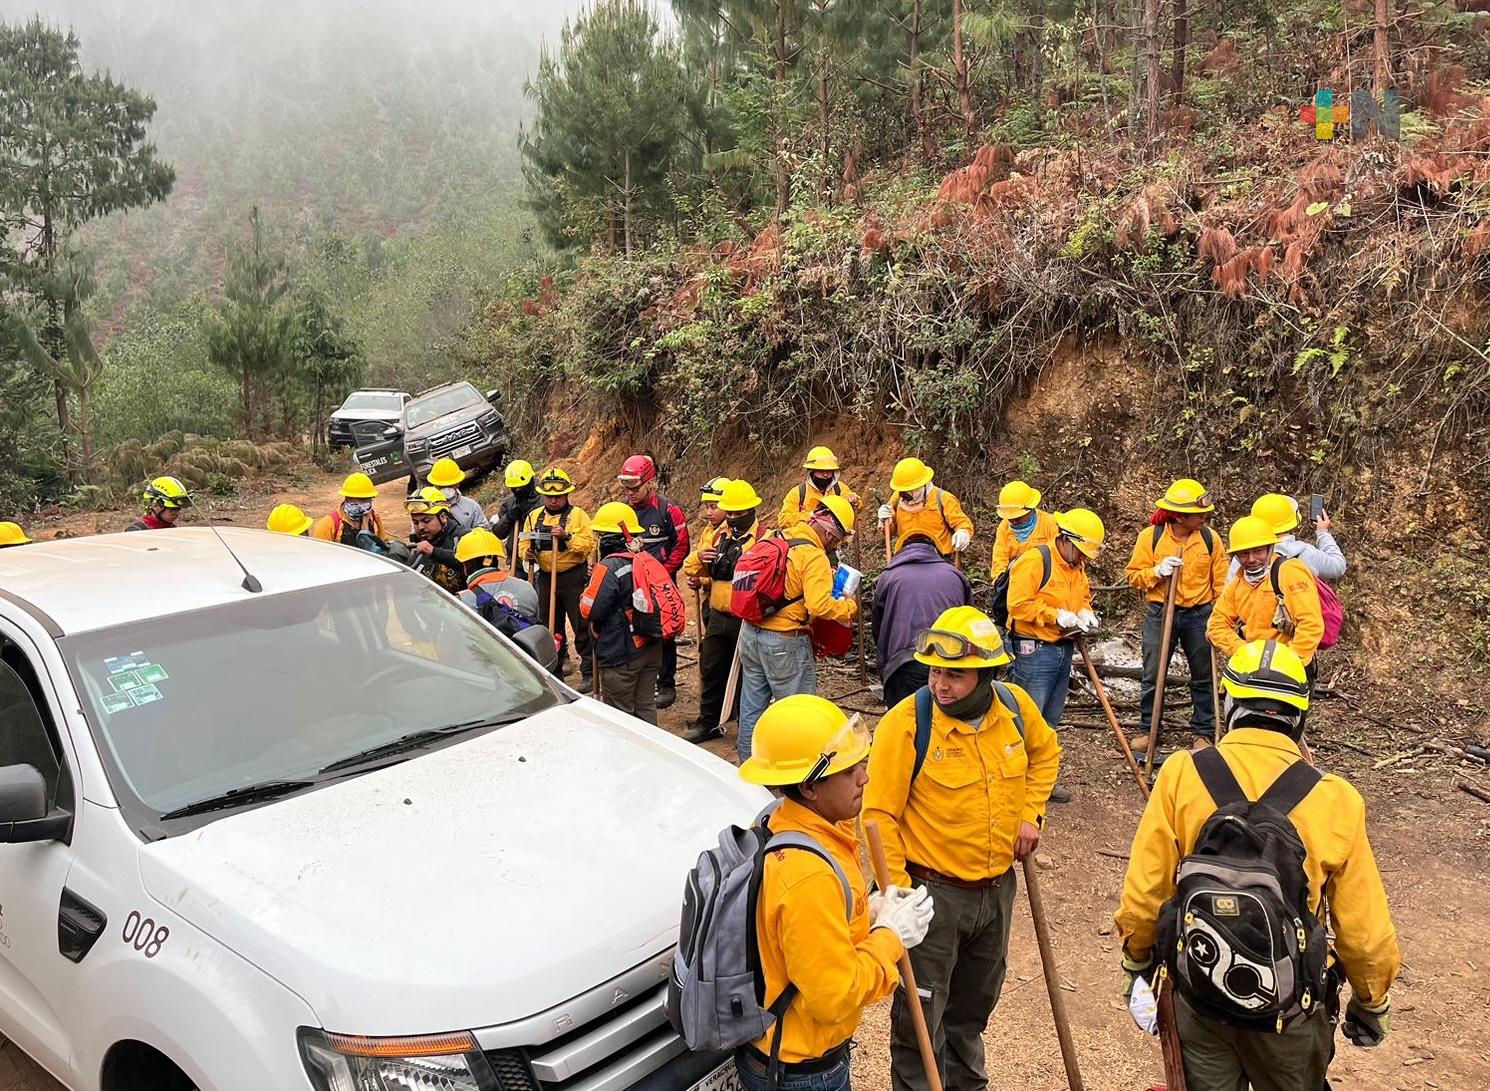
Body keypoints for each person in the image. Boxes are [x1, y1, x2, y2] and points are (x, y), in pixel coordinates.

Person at [1114, 641, 1399, 1091]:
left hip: (1199, 993)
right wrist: (1371, 1002)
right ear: (1299, 716)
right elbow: (1364, 932)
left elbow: (1146, 891)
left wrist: (1137, 962)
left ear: (1229, 704)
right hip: (1290, 1010)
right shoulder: (1336, 799)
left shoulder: (1181, 774)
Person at [863, 606, 1061, 1091]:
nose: (941, 684)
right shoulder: (906, 724)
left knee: (972, 1008)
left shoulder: (1013, 709)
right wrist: (898, 894)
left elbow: (1046, 752)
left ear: (988, 674)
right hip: (932, 897)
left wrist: (1030, 815)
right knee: (919, 1021)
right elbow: (877, 815)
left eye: (956, 674)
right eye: (934, 670)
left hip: (996, 892)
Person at [737, 694, 933, 1091]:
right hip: (801, 1071)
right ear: (809, 787)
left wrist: (869, 910)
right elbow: (834, 997)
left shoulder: (783, 822)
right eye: (849, 771)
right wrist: (890, 939)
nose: (865, 777)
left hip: (782, 1051)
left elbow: (797, 934)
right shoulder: (808, 873)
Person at [737, 496, 858, 761]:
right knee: (797, 711)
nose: (835, 545)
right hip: (784, 642)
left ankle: (748, 770)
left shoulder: (775, 536)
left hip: (749, 633)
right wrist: (849, 608)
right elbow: (820, 606)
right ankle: (796, 771)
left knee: (751, 709)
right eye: (836, 540)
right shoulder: (813, 556)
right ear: (829, 533)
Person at [1005, 508, 1103, 804]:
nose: (1084, 558)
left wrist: (1085, 612)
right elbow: (1017, 605)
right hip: (1034, 649)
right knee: (1025, 718)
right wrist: (1054, 616)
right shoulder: (1035, 561)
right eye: (1082, 551)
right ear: (1067, 540)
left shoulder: (1077, 566)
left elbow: (1082, 596)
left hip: (1062, 647)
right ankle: (1013, 783)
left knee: (1048, 721)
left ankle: (1040, 782)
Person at [1124, 479, 1230, 751]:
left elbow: (1221, 584)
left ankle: (1203, 732)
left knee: (1203, 675)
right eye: (1199, 514)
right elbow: (1134, 576)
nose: (1205, 517)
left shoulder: (1210, 539)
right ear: (1180, 516)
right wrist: (1157, 572)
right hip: (1161, 612)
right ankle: (1149, 729)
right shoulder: (1151, 537)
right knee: (1153, 673)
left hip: (1200, 614)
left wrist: (1220, 616)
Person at [682, 478, 761, 742]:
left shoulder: (763, 539)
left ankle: (747, 726)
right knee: (712, 666)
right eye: (731, 513)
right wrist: (699, 559)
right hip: (717, 614)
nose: (734, 518)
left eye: (740, 513)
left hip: (747, 618)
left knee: (749, 674)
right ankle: (709, 723)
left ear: (752, 511)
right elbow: (692, 570)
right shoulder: (718, 536)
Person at [579, 502, 664, 723]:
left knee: (621, 718)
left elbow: (591, 609)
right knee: (646, 708)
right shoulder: (646, 560)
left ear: (606, 538)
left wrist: (592, 582)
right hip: (650, 646)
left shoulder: (609, 567)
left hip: (622, 653)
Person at [1206, 516, 1324, 675]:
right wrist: (1242, 651)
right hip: (1252, 665)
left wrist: (1290, 661)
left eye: (1258, 551)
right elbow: (1217, 624)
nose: (1251, 559)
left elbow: (1311, 624)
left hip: (1290, 665)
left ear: (1271, 548)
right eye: (1244, 553)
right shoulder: (1238, 583)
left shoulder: (1289, 572)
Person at [617, 454, 689, 710]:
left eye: (634, 487)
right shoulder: (623, 511)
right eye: (626, 488)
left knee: (664, 631)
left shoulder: (668, 510)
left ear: (650, 482)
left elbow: (681, 546)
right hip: (630, 583)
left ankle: (666, 683)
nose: (630, 493)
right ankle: (640, 679)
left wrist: (661, 574)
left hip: (661, 583)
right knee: (633, 627)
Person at [871, 533, 972, 707]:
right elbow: (968, 620)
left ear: (901, 551)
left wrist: (884, 665)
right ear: (936, 550)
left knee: (903, 724)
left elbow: (878, 627)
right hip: (947, 660)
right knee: (944, 725)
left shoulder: (889, 576)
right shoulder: (955, 576)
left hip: (902, 663)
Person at [522, 467, 597, 687]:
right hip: (545, 577)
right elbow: (524, 542)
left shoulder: (578, 516)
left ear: (566, 494)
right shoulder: (534, 517)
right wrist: (526, 553)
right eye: (549, 496)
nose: (553, 500)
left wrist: (567, 536)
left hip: (573, 577)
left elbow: (589, 545)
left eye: (557, 496)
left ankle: (589, 672)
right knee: (548, 625)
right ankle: (555, 670)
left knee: (581, 626)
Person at [878, 458, 974, 559]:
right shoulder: (897, 498)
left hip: (939, 558)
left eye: (909, 490)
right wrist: (884, 520)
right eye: (902, 490)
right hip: (907, 557)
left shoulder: (943, 498)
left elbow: (961, 522)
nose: (904, 494)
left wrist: (963, 532)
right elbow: (890, 531)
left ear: (923, 485)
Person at [1238, 493, 1347, 580]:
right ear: (1292, 522)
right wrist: (1323, 533)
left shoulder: (1243, 557)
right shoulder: (1303, 553)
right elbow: (1338, 566)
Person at [456, 527, 540, 637]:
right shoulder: (527, 587)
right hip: (526, 652)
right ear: (496, 558)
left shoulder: (462, 601)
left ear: (466, 564)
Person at [989, 479, 1058, 580]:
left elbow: (1058, 560)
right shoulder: (1004, 527)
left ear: (1030, 509)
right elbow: (999, 560)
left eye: (1018, 517)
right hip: (1014, 582)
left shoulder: (1049, 523)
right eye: (1010, 518)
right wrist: (1000, 583)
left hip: (1045, 583)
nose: (1014, 521)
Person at [778, 446, 860, 529]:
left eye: (828, 471)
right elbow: (783, 519)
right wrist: (809, 516)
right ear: (812, 471)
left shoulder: (839, 488)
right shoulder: (798, 493)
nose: (825, 475)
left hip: (835, 539)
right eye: (821, 471)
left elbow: (857, 504)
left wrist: (854, 500)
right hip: (808, 539)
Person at [404, 487, 468, 594]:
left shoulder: (464, 537)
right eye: (415, 522)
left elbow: (471, 562)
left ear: (443, 517)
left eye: (426, 521)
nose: (420, 527)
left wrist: (434, 552)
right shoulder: (416, 548)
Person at [311, 472, 387, 546]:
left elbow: (382, 547)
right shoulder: (327, 525)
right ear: (347, 498)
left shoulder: (373, 517)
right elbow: (319, 555)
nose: (365, 504)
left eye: (368, 499)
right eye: (361, 499)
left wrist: (365, 528)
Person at [425, 457, 489, 534]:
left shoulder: (471, 506)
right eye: (441, 486)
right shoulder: (424, 508)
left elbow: (485, 532)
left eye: (450, 485)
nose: (446, 489)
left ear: (458, 483)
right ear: (434, 485)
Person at [490, 459, 541, 555]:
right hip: (517, 560)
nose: (516, 491)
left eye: (520, 487)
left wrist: (527, 536)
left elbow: (549, 534)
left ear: (530, 481)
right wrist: (508, 518)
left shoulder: (546, 500)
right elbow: (498, 533)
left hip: (541, 558)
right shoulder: (509, 503)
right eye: (513, 488)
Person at [126, 476, 193, 531]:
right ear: (156, 505)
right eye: (172, 509)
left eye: (178, 509)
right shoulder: (136, 532)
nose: (176, 513)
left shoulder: (173, 530)